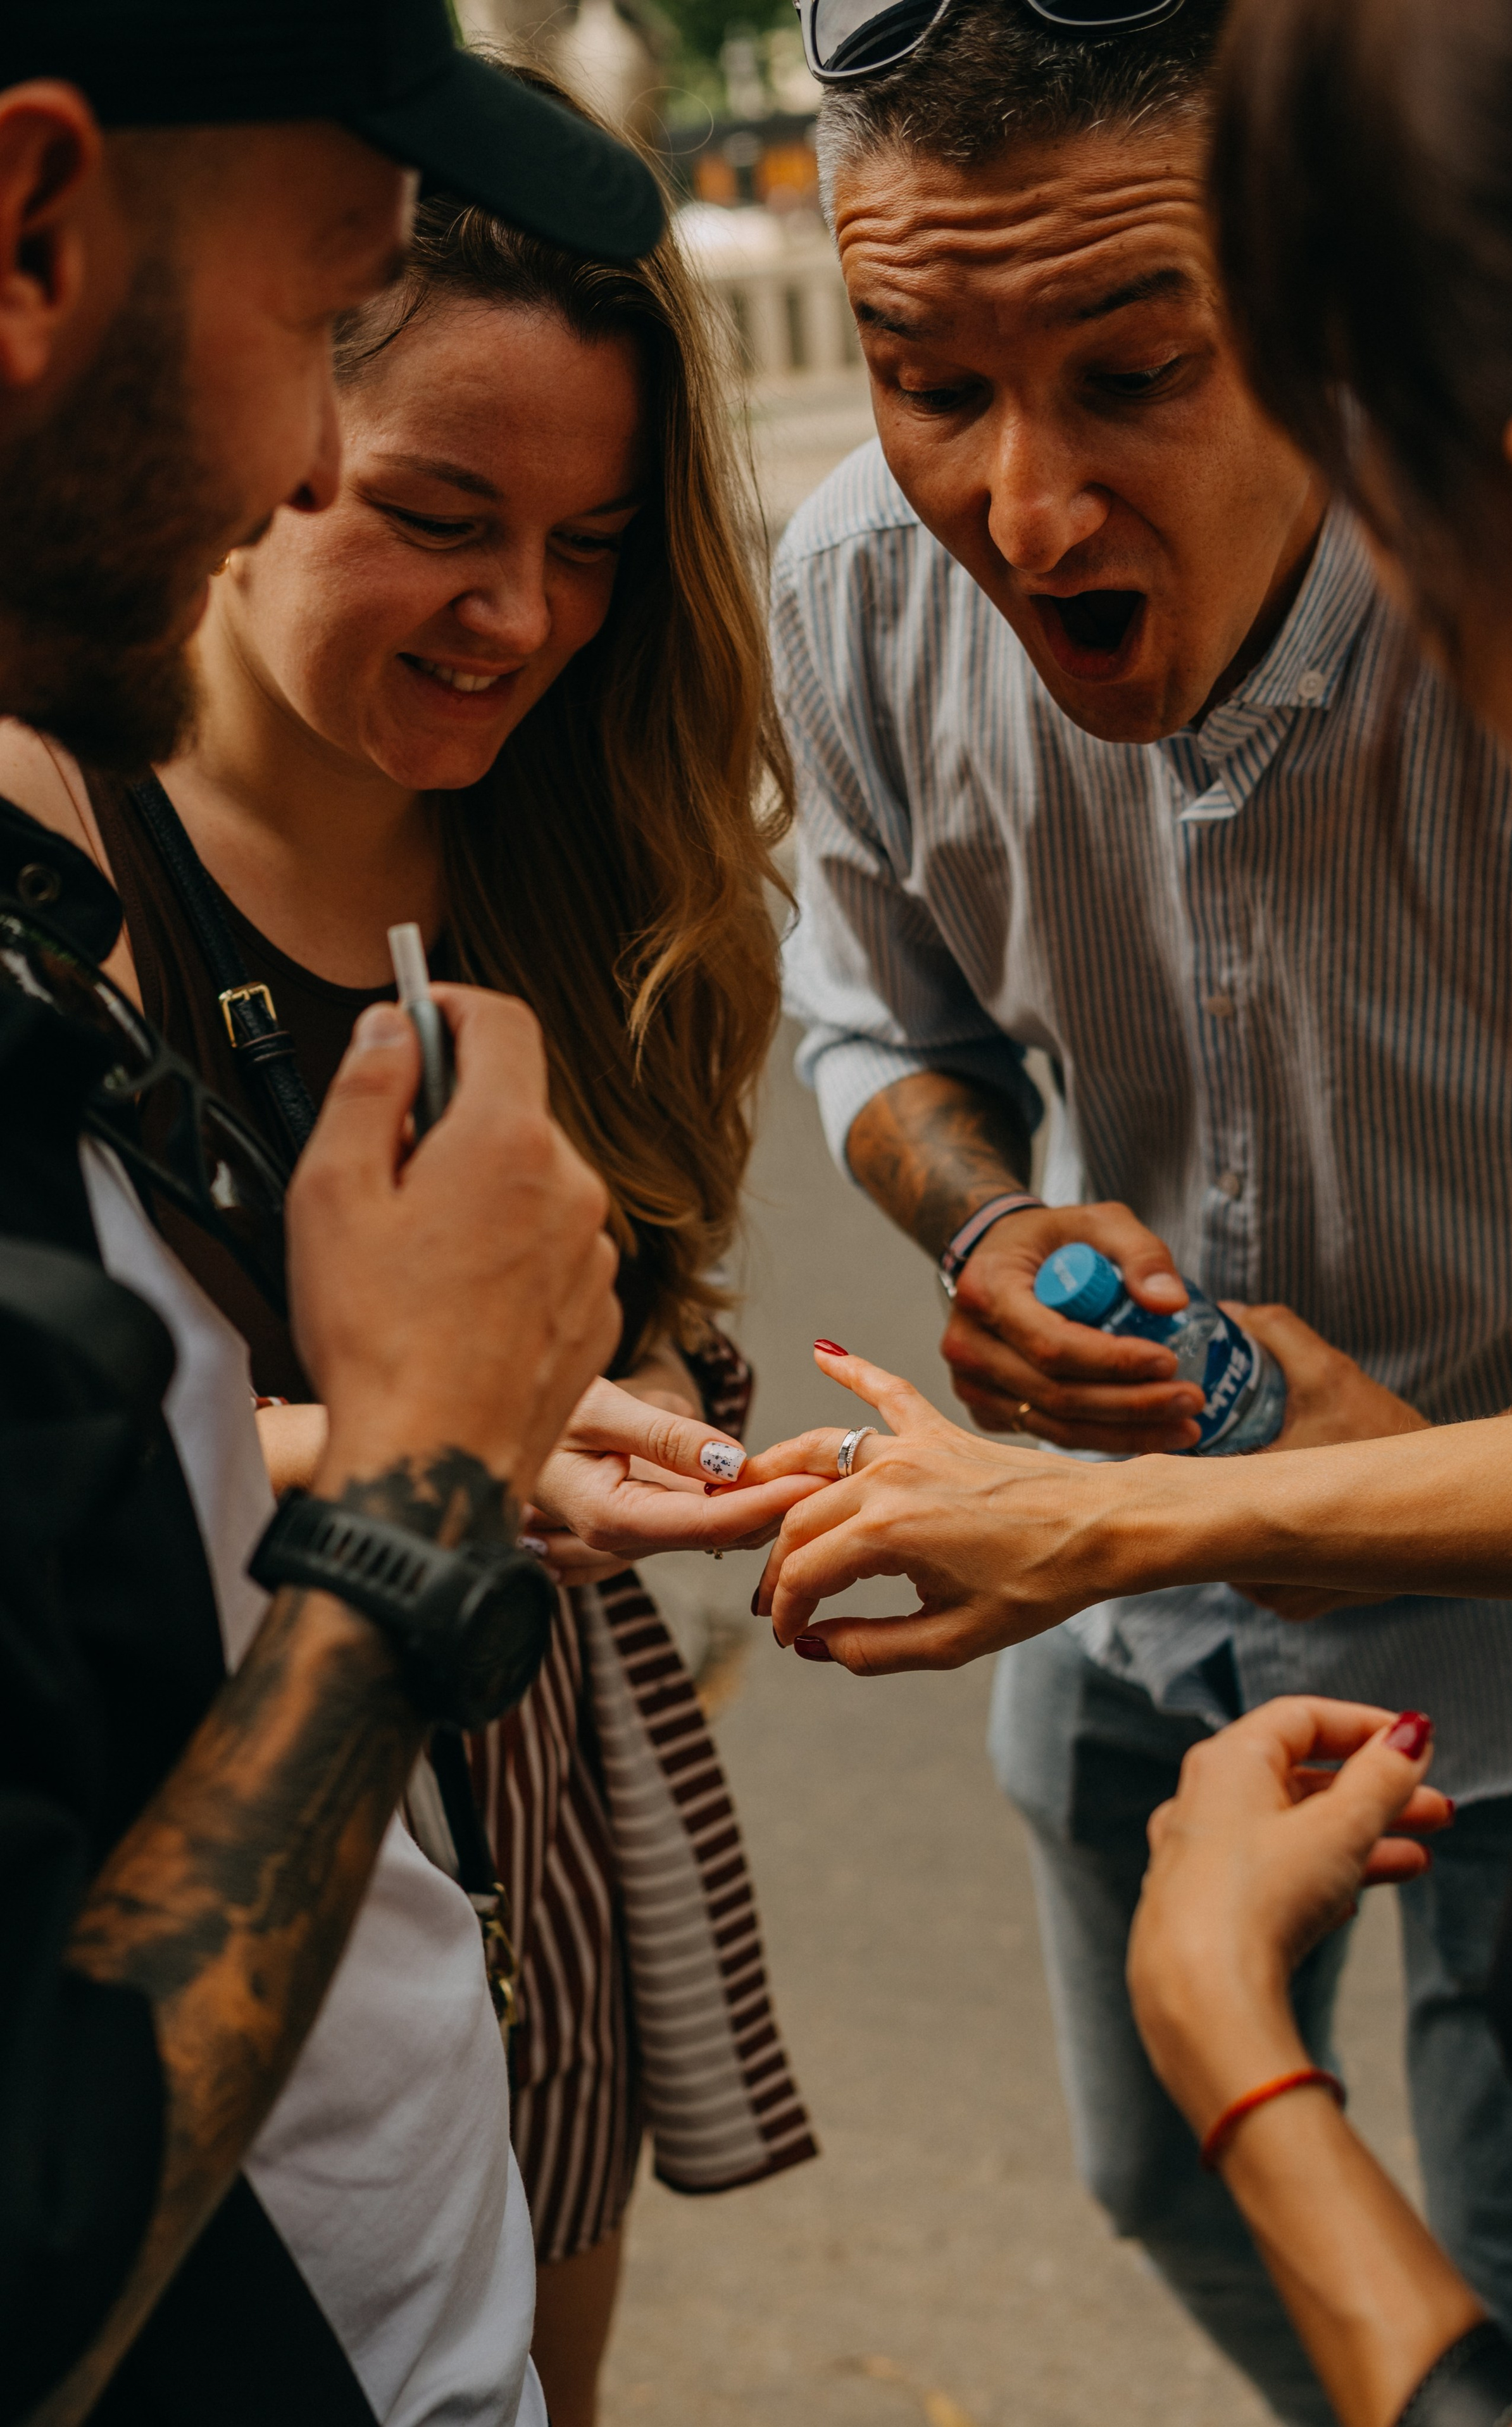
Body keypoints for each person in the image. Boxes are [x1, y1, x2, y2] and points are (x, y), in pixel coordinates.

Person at [764, 0, 1512, 2407]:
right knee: (1157, 2168)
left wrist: (1358, 1493)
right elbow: (878, 1026)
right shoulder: (855, 599)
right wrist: (983, 1226)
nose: (1022, 514)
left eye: (1137, 370)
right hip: (1111, 1610)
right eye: (920, 376)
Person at [0, 70, 817, 2423]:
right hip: (242, 1829)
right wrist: (429, 1455)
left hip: (527, 1786)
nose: (524, 614)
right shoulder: (52, 876)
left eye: (595, 545)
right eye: (441, 516)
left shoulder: (598, 848)